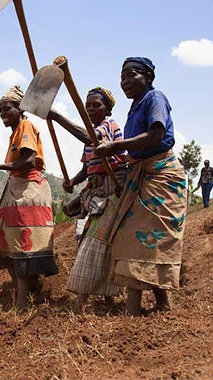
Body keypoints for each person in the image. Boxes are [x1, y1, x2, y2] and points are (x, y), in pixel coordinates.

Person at [93, 57, 185, 316]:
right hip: (140, 174)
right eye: (121, 77)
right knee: (140, 239)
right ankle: (162, 304)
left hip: (160, 175)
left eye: (130, 75)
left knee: (138, 237)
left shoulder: (155, 98)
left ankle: (132, 312)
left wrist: (116, 146)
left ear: (148, 77)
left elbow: (156, 135)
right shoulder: (134, 108)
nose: (124, 82)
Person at [0, 85, 59, 310]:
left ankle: (23, 302)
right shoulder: (15, 132)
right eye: (0, 111)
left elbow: (28, 161)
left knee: (23, 244)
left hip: (28, 192)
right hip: (17, 189)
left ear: (20, 108)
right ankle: (26, 291)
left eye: (7, 109)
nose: (3, 114)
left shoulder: (25, 126)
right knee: (2, 241)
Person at [48, 87, 126, 311]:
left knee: (95, 242)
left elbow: (92, 139)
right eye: (88, 105)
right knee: (96, 242)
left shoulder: (108, 127)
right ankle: (107, 299)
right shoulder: (91, 135)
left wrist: (57, 116)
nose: (91, 109)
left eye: (96, 105)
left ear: (108, 109)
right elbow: (86, 168)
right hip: (95, 192)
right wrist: (72, 182)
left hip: (112, 191)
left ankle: (80, 304)